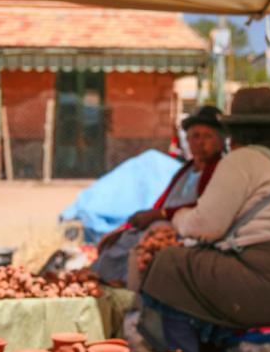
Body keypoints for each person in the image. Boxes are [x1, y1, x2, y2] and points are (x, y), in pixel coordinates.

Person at [138, 87, 270, 352]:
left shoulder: (242, 160)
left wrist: (174, 217)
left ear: (233, 133)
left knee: (170, 263)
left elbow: (206, 226)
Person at [93, 106, 225, 286]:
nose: (200, 142)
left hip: (187, 231)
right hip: (161, 223)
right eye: (195, 136)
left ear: (221, 140)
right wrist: (122, 228)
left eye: (207, 136)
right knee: (117, 245)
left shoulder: (222, 170)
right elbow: (161, 204)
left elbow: (205, 209)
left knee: (146, 245)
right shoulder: (185, 171)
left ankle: (133, 295)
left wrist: (160, 215)